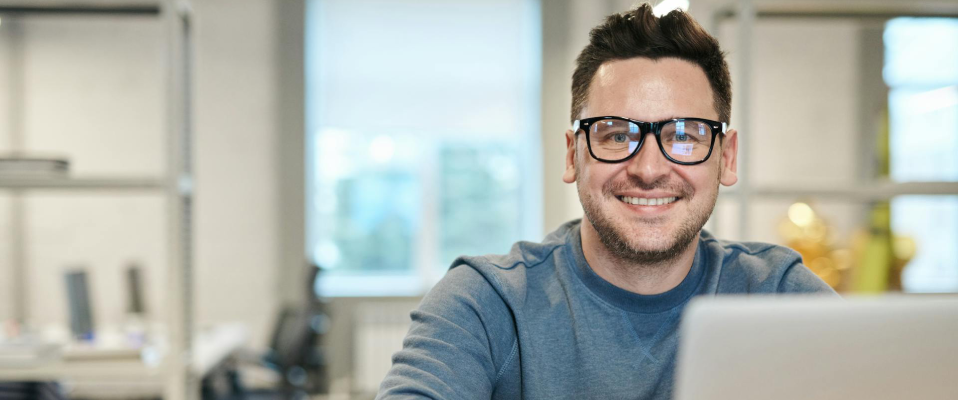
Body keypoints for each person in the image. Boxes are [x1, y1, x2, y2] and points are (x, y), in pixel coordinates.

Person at [377, 4, 836, 399]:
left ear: (727, 157)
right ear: (572, 154)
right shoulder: (488, 304)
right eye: (617, 135)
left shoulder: (778, 296)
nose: (649, 169)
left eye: (683, 136)